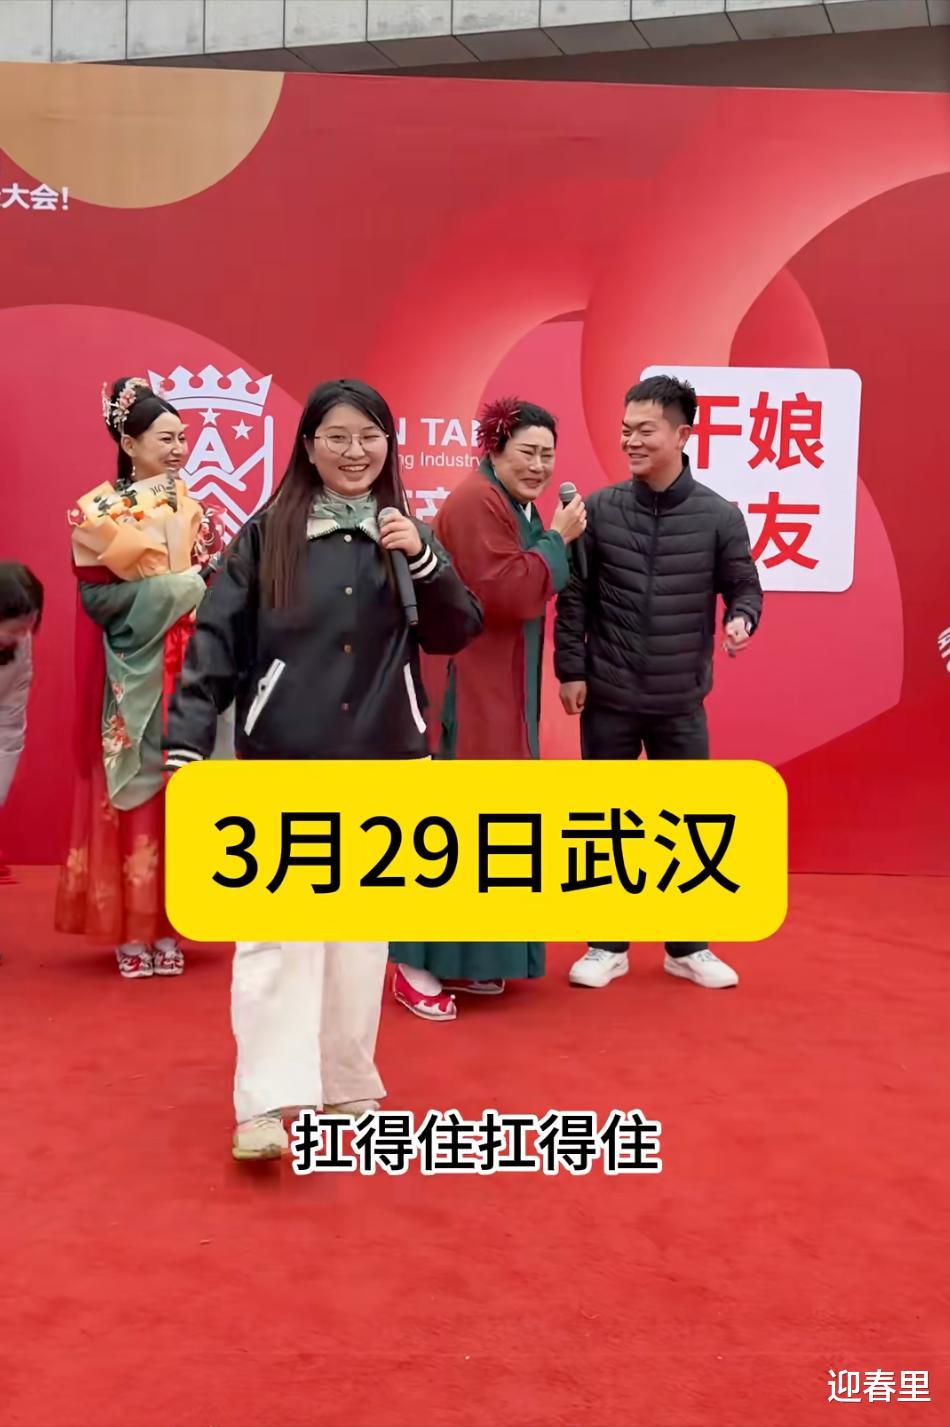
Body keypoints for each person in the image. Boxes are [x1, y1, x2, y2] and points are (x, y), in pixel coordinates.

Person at [163, 378, 483, 1160]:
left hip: (384, 760)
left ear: (389, 446)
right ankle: (267, 1103)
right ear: (308, 446)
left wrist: (425, 560)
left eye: (369, 436)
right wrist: (188, 743)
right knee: (277, 936)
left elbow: (457, 630)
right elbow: (216, 640)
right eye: (337, 436)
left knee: (358, 938)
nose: (354, 451)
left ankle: (346, 1085)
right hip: (283, 759)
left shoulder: (405, 531)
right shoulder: (267, 532)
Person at [555, 374, 763, 991]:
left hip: (680, 701)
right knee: (606, 825)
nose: (632, 442)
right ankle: (606, 945)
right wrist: (570, 669)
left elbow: (744, 586)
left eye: (645, 430)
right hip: (610, 696)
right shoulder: (600, 510)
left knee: (686, 825)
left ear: (682, 434)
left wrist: (743, 619)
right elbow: (574, 597)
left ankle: (687, 947)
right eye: (626, 431)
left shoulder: (718, 516)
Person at [390, 396, 586, 1020]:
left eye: (547, 455)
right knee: (452, 825)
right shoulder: (477, 500)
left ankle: (468, 958)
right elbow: (508, 593)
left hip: (503, 686)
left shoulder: (516, 504)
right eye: (526, 452)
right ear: (494, 450)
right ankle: (413, 965)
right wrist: (558, 540)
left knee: (492, 821)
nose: (538, 466)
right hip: (468, 686)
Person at [54, 378, 221, 978]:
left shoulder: (199, 511)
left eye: (183, 438)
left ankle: (173, 924)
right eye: (165, 438)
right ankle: (132, 930)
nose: (179, 449)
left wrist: (201, 592)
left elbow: (218, 583)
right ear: (129, 443)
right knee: (137, 790)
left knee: (183, 790)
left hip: (188, 667)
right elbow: (97, 601)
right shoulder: (98, 514)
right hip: (133, 669)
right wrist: (176, 589)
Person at [0, 563, 44, 889]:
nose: (21, 637)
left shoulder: (22, 647)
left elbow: (9, 728)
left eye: (27, 628)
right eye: (13, 631)